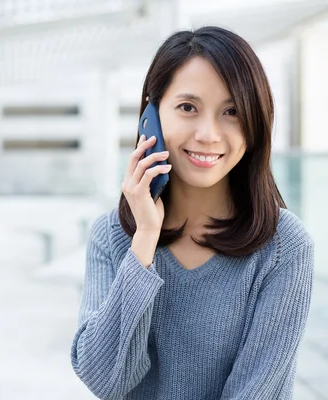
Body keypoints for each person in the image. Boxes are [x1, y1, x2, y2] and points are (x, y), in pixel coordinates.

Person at [70, 26, 314, 400]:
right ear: (150, 115)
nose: (208, 133)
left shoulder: (283, 246)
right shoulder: (112, 235)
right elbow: (106, 380)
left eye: (231, 111)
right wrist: (144, 243)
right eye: (188, 107)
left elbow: (257, 392)